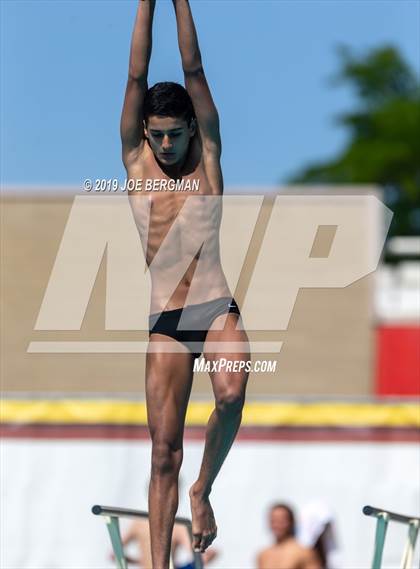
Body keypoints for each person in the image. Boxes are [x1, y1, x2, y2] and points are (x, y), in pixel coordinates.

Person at [120, 1, 250, 568]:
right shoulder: (135, 159)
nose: (166, 146)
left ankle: (203, 491)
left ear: (194, 128)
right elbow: (135, 75)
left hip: (216, 305)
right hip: (167, 322)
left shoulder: (208, 155)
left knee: (231, 393)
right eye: (158, 136)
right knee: (162, 453)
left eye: (175, 135)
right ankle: (157, 565)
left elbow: (194, 72)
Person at [116, 518, 219, 568]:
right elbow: (198, 553)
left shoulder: (138, 524)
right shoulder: (177, 526)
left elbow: (114, 554)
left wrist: (141, 561)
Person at [256, 503, 322, 569]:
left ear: (291, 522)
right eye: (273, 521)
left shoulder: (304, 553)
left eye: (282, 521)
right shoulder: (263, 555)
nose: (277, 525)